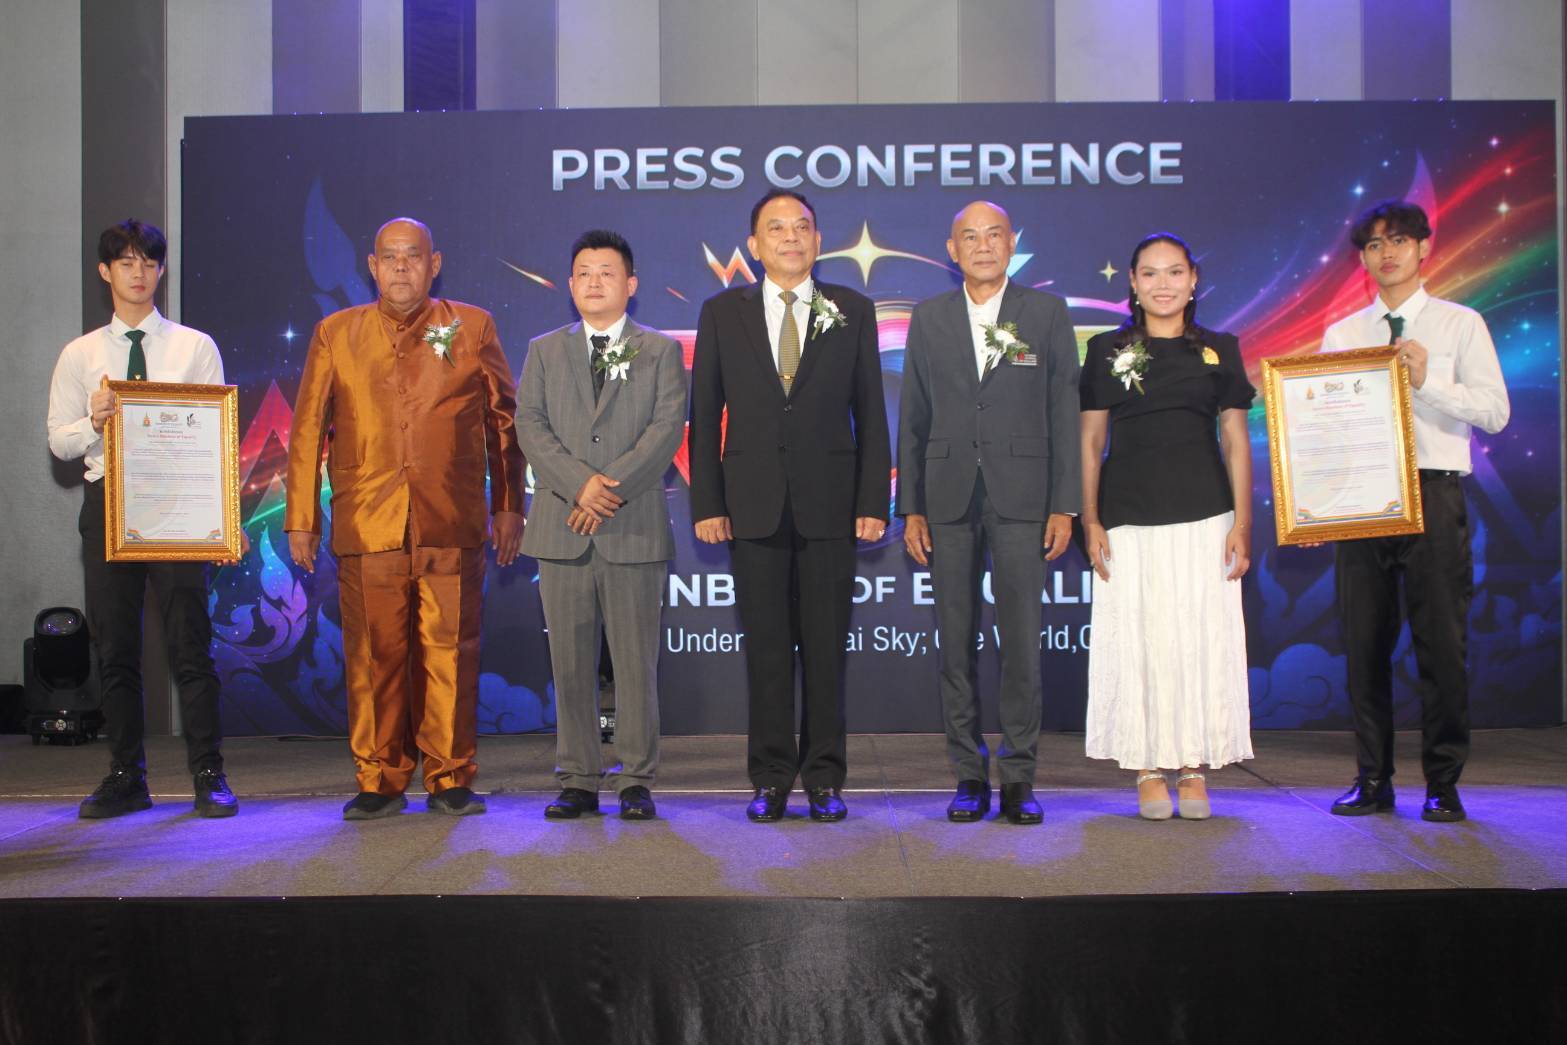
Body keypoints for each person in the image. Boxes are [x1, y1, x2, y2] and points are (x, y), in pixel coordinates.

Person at [284, 217, 526, 820]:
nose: (400, 266)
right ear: (372, 266)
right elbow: (308, 429)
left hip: (452, 518)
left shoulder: (471, 326)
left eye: (412, 256)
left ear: (433, 264)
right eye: (389, 257)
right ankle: (379, 777)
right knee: (375, 656)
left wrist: (508, 506)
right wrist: (300, 518)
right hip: (369, 520)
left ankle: (450, 775)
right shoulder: (336, 333)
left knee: (451, 652)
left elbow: (504, 423)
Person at [688, 189, 891, 823]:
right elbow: (704, 415)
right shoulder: (722, 312)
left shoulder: (852, 309)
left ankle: (825, 777)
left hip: (831, 504)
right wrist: (708, 502)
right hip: (752, 505)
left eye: (802, 226)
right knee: (768, 651)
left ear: (817, 240)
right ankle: (771, 777)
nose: (791, 237)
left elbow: (871, 410)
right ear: (754, 245)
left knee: (827, 650)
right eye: (776, 228)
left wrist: (872, 499)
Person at [1319, 200, 1509, 823]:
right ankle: (1372, 778)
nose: (1387, 254)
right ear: (1363, 258)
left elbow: (1495, 412)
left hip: (1434, 490)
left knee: (1442, 645)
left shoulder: (1460, 325)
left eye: (1399, 240)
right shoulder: (1344, 334)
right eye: (1374, 245)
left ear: (1424, 247)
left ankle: (1443, 783)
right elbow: (1325, 428)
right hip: (1362, 499)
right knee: (1364, 645)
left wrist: (1428, 381)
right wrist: (1316, 504)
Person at [47, 219, 242, 819]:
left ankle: (209, 772)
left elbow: (217, 435)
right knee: (116, 648)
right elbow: (59, 442)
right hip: (108, 502)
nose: (139, 273)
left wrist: (220, 511)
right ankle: (126, 775)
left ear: (161, 270)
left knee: (191, 644)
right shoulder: (80, 354)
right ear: (105, 272)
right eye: (126, 262)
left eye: (149, 263)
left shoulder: (194, 346)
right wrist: (94, 421)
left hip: (180, 506)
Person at [897, 201, 1081, 825]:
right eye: (969, 237)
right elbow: (913, 417)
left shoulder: (1046, 313)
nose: (982, 246)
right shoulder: (929, 317)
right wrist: (911, 508)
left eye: (994, 234)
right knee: (955, 645)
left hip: (1024, 497)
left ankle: (1020, 776)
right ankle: (968, 774)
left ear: (1010, 244)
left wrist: (1064, 505)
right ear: (952, 251)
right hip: (946, 498)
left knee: (1022, 645)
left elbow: (1064, 413)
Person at [1079, 232, 1255, 820]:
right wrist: (1090, 518)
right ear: (1132, 283)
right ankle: (1149, 767)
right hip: (1129, 515)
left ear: (1193, 279)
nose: (1163, 284)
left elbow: (1235, 440)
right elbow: (1091, 441)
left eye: (1174, 272)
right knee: (1143, 639)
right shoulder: (1106, 349)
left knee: (1197, 638)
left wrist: (1243, 522)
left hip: (1206, 515)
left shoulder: (1220, 350)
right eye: (1150, 273)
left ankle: (1194, 766)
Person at [516, 229, 687, 821]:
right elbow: (530, 426)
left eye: (607, 272)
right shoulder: (544, 350)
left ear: (630, 284)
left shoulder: (659, 351)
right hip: (561, 528)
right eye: (584, 273)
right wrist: (579, 485)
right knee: (569, 664)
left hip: (632, 528)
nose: (594, 282)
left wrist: (605, 491)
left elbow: (665, 430)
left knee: (636, 664)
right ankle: (578, 778)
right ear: (570, 285)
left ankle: (636, 778)